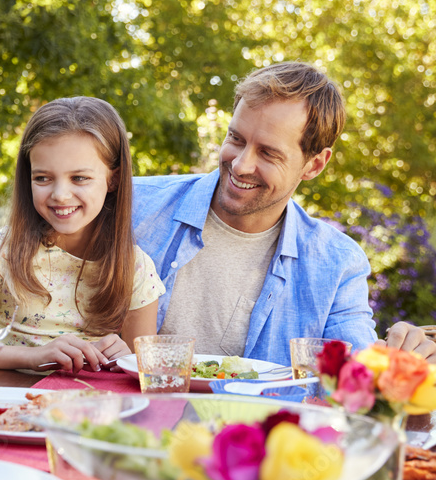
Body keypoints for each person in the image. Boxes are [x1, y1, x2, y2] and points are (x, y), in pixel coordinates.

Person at [131, 61, 436, 365]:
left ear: (314, 165)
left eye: (268, 153)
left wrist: (404, 358)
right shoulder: (132, 207)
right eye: (236, 139)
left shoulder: (337, 263)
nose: (240, 165)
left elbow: (359, 373)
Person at [0, 96, 166, 373]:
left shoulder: (134, 267)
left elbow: (145, 374)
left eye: (79, 178)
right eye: (42, 178)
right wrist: (33, 357)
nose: (60, 195)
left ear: (113, 179)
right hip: (6, 404)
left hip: (87, 410)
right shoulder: (1, 250)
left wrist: (128, 358)